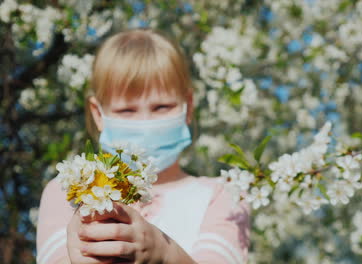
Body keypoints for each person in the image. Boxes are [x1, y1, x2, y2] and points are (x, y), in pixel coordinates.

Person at [36, 28, 251, 264]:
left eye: (162, 107)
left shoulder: (224, 195)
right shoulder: (67, 192)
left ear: (188, 107)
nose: (146, 123)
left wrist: (164, 253)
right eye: (126, 110)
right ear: (98, 114)